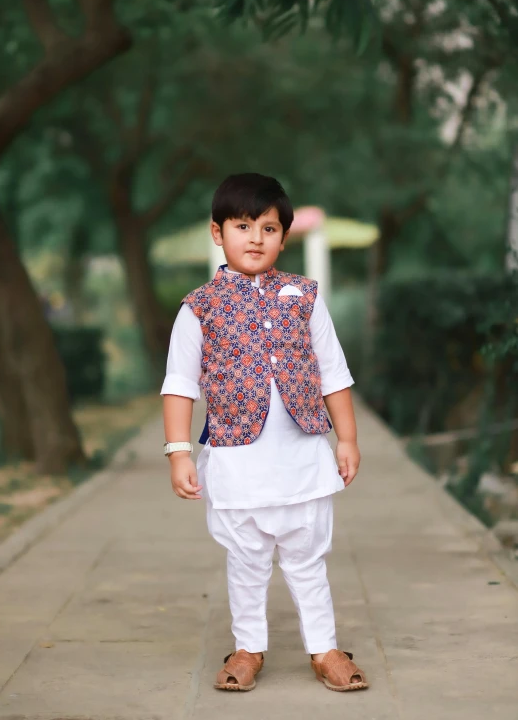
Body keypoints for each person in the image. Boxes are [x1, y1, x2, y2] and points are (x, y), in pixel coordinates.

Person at [161, 173, 368, 693]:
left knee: (307, 560)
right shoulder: (198, 308)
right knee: (247, 562)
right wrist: (179, 453)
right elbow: (179, 384)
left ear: (284, 236)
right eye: (242, 225)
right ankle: (248, 647)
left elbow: (333, 371)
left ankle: (324, 649)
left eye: (269, 227)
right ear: (218, 232)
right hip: (237, 461)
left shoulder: (305, 296)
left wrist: (346, 438)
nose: (255, 237)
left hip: (301, 457)